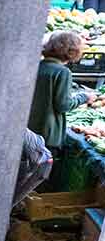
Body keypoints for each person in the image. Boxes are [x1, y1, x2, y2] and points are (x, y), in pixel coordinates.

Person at [28, 29, 86, 168]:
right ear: (72, 51)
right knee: (40, 175)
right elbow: (63, 105)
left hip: (30, 129)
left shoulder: (37, 66)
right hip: (48, 134)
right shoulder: (63, 72)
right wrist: (84, 97)